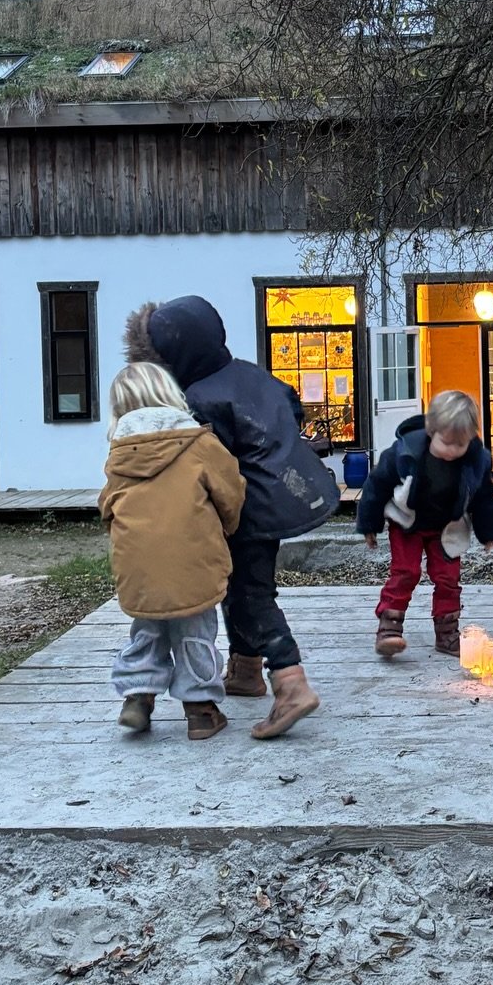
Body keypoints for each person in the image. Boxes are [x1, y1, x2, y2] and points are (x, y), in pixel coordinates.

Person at [124, 296, 339, 738]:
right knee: (246, 584)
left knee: (249, 596)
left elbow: (204, 464)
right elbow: (291, 408)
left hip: (244, 508)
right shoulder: (251, 374)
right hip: (277, 498)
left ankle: (291, 682)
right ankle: (245, 670)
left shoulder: (197, 399)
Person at [100, 361, 246, 741]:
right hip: (194, 558)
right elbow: (230, 492)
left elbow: (107, 506)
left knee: (148, 626)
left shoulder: (120, 453)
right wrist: (226, 528)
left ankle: (137, 695)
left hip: (138, 564)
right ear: (169, 394)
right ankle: (200, 710)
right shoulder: (199, 444)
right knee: (195, 628)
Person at [355, 389, 493, 656]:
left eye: (460, 445)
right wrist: (369, 523)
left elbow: (484, 498)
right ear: (430, 430)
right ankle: (389, 628)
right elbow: (376, 486)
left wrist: (491, 533)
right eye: (446, 443)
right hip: (408, 523)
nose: (452, 451)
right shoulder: (405, 452)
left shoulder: (475, 460)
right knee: (406, 572)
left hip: (447, 527)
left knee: (448, 578)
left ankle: (447, 633)